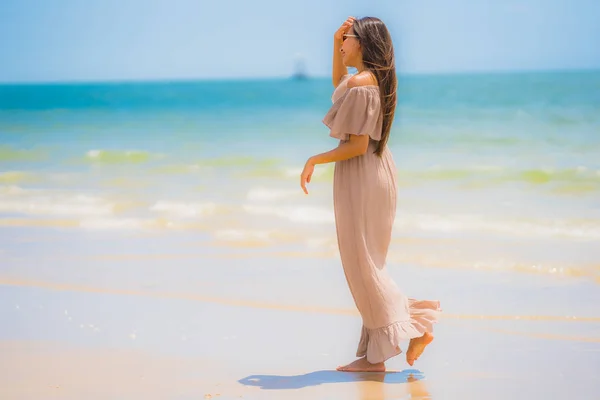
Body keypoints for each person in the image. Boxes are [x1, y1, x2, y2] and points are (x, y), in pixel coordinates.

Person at [300, 16, 442, 372]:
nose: (343, 44)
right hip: (372, 173)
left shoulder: (364, 85)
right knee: (367, 265)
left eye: (346, 39)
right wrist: (334, 41)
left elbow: (358, 145)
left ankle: (410, 332)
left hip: (363, 174)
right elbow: (338, 84)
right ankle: (375, 356)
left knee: (364, 266)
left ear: (361, 43)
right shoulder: (366, 82)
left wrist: (315, 159)